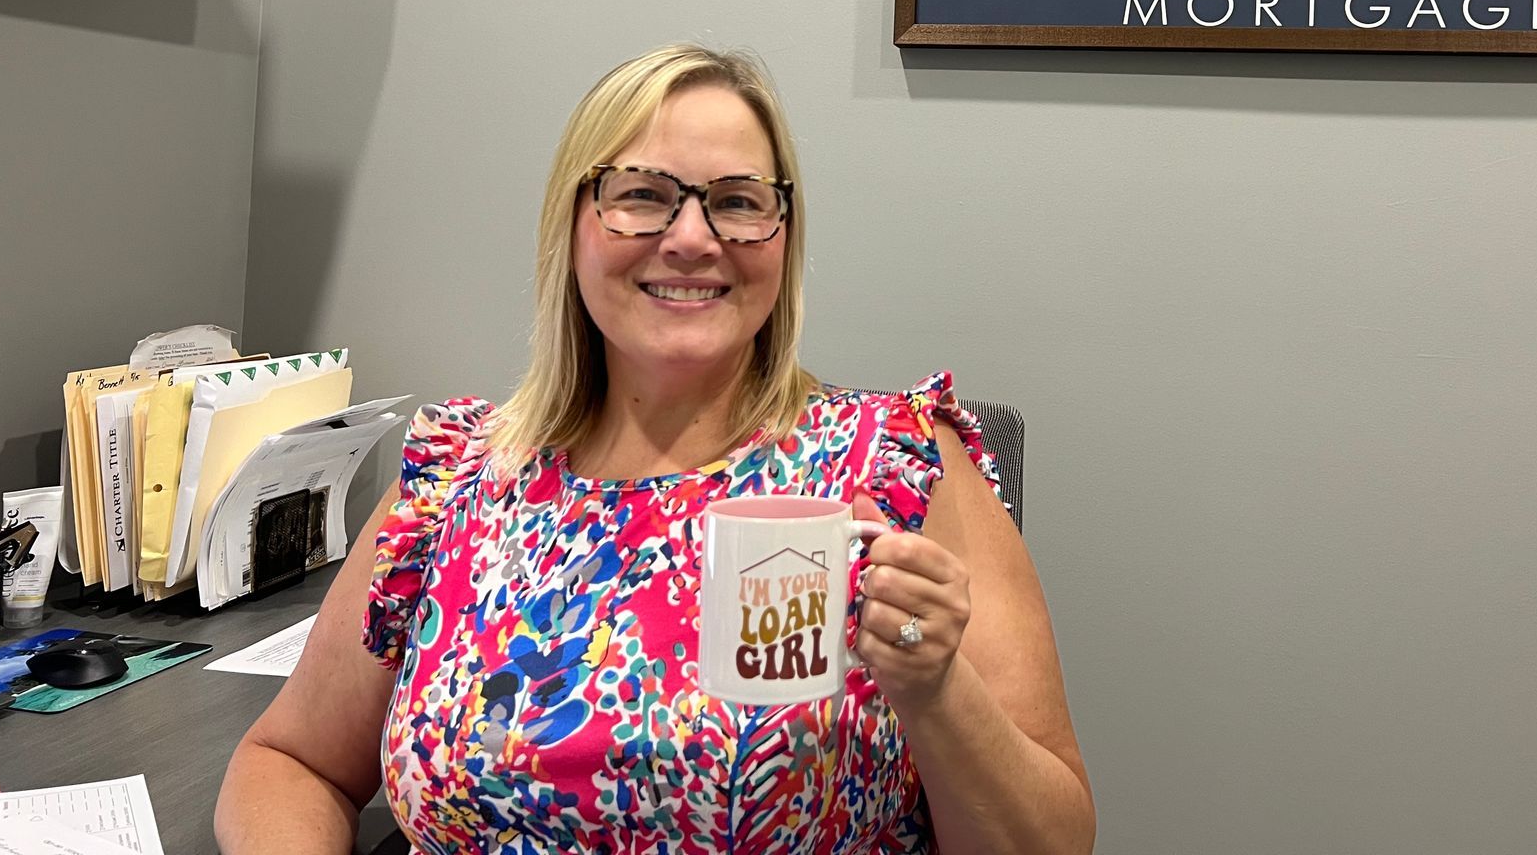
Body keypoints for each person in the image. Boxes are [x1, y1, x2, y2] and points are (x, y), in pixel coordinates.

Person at [215, 45, 1095, 854]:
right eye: (641, 193)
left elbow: (1053, 840)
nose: (691, 237)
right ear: (575, 226)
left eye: (739, 202)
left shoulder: (898, 466)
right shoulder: (459, 480)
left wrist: (937, 694)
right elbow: (294, 761)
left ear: (783, 239)